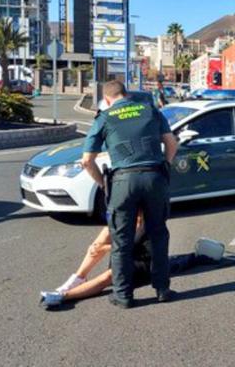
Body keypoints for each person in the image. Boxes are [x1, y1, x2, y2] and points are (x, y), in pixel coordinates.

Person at [81, 80, 178, 308]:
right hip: (155, 177)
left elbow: (87, 160)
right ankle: (162, 289)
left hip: (123, 181)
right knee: (158, 235)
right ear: (127, 94)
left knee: (121, 241)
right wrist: (165, 165)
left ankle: (123, 295)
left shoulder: (105, 117)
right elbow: (171, 143)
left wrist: (103, 184)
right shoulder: (151, 110)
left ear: (107, 99)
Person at [40, 215, 149, 309]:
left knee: (110, 275)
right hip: (123, 256)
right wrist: (97, 246)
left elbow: (143, 250)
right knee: (106, 232)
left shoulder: (150, 222)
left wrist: (105, 248)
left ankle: (63, 296)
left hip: (145, 262)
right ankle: (79, 277)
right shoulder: (125, 216)